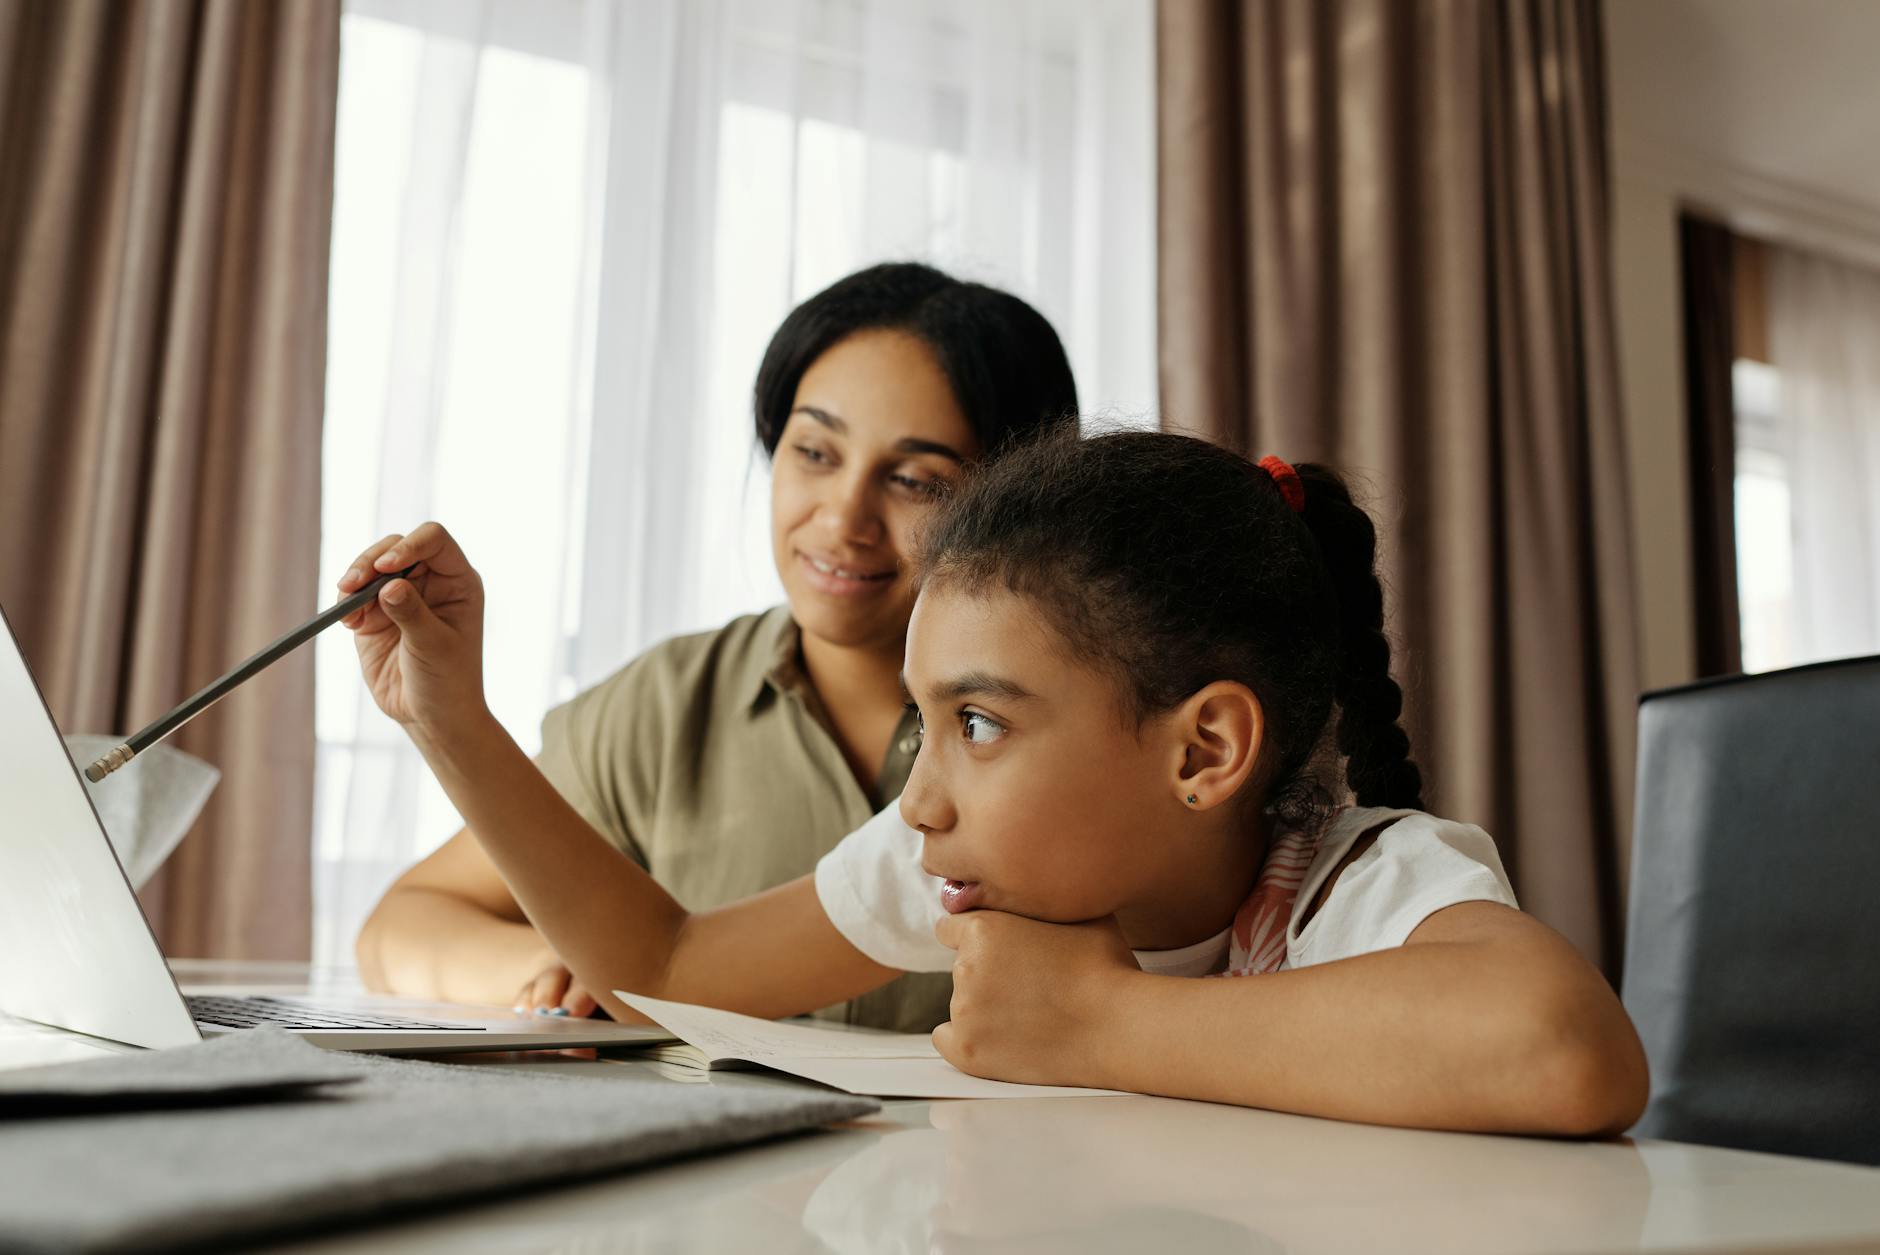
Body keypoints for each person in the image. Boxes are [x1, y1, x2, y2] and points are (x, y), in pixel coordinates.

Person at [339, 429, 1649, 1134]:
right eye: (926, 721)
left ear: (1204, 750)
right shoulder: (956, 863)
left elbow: (1564, 1049)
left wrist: (1102, 1024)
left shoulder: (1364, 880)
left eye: (978, 720)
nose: (919, 797)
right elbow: (667, 958)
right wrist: (449, 717)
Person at [351, 263, 1078, 1032]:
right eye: (816, 453)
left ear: (1017, 505)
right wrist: (557, 967)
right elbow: (403, 926)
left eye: (914, 480)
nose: (842, 519)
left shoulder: (1067, 735)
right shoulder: (666, 705)